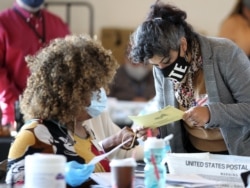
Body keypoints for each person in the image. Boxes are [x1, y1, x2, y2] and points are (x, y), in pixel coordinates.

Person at [5, 34, 146, 187]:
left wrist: (113, 142)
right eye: (90, 90)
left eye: (98, 88)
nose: (96, 97)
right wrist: (62, 179)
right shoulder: (34, 134)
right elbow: (15, 183)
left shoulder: (81, 128)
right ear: (67, 93)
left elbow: (82, 156)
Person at [128, 0, 250, 156]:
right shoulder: (160, 69)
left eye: (166, 61)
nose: (163, 71)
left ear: (183, 45)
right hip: (192, 155)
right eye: (155, 65)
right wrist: (156, 129)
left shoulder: (225, 53)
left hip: (234, 154)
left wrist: (211, 113)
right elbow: (169, 116)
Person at [0, 0, 70, 128]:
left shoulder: (58, 24)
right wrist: (16, 107)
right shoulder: (3, 23)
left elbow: (70, 67)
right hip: (17, 116)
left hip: (57, 116)